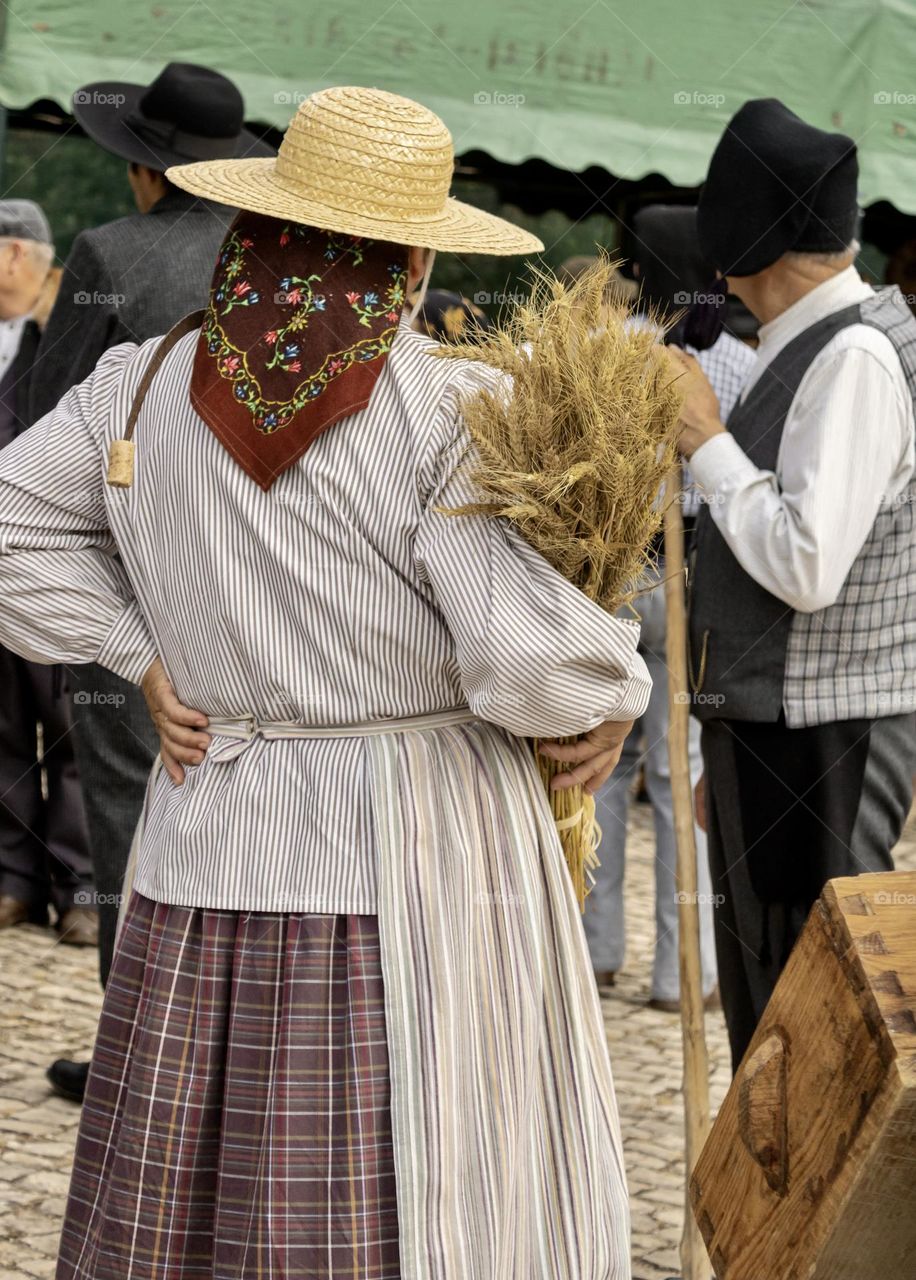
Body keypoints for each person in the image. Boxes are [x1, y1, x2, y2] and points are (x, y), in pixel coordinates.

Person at [0, 86, 647, 1279]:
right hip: (410, 848)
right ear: (409, 259)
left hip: (209, 824)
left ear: (260, 229)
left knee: (197, 1184)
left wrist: (136, 650)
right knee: (407, 1171)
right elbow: (524, 664)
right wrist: (612, 688)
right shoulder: (453, 409)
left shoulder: (140, 386)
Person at [29, 60, 273, 1103]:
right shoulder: (278, 256)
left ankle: (139, 1053)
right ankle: (234, 1046)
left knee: (132, 809)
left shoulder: (111, 256)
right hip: (274, 587)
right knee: (253, 814)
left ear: (144, 173)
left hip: (146, 592)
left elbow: (41, 418)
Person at [672, 98, 916, 1070]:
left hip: (827, 735)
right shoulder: (815, 345)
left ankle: (831, 1225)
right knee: (773, 1012)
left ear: (753, 245)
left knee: (815, 1033)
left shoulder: (853, 353)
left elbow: (808, 566)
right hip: (782, 732)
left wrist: (706, 444)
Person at [584, 205, 756, 1010]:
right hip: (693, 582)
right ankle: (686, 973)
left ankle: (597, 952)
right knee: (676, 769)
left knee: (601, 767)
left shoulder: (594, 351)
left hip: (610, 581)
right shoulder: (738, 367)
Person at [0, 200, 95, 944]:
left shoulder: (65, 334)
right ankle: (15, 883)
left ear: (15, 257)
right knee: (3, 731)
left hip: (51, 561)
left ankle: (79, 890)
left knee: (66, 728)